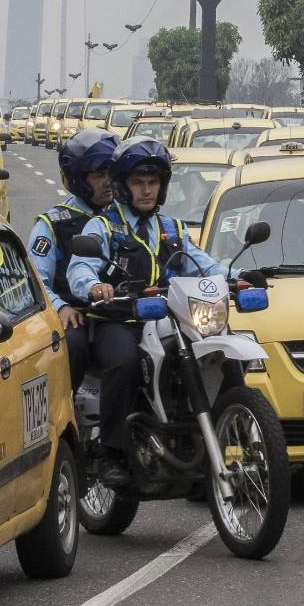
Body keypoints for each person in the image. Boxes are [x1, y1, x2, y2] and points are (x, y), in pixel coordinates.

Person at [66, 137, 243, 487]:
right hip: (120, 320)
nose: (147, 190)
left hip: (169, 319)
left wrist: (238, 278)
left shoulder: (172, 228)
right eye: (138, 183)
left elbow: (202, 264)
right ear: (123, 186)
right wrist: (93, 286)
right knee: (125, 360)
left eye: (153, 183)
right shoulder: (102, 227)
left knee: (225, 352)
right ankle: (111, 451)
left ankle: (235, 433)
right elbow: (80, 267)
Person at [27, 128, 119, 391]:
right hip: (76, 313)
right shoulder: (54, 223)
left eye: (110, 174)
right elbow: (36, 280)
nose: (107, 182)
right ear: (79, 179)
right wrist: (61, 308)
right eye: (99, 175)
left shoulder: (126, 217)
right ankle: (69, 414)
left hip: (121, 314)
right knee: (73, 347)